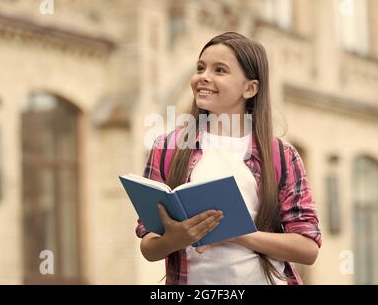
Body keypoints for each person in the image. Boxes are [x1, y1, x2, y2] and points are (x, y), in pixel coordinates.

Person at [135, 32, 321, 285]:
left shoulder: (281, 156)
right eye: (200, 68)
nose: (203, 77)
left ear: (250, 88)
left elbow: (308, 248)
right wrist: (176, 239)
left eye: (219, 70)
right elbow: (148, 247)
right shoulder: (168, 148)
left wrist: (236, 233)